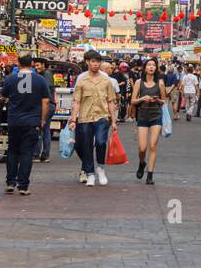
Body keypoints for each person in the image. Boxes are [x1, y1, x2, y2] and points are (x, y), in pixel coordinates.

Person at [1, 54, 52, 196]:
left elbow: (3, 97)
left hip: (14, 120)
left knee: (12, 151)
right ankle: (23, 185)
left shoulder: (10, 78)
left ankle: (10, 182)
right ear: (32, 63)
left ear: (18, 63)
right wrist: (42, 120)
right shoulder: (39, 80)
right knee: (27, 153)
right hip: (32, 121)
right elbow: (46, 101)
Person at [69, 50, 118, 188]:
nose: (95, 64)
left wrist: (113, 121)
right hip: (85, 117)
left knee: (102, 142)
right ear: (87, 62)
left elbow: (110, 101)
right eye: (93, 61)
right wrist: (73, 119)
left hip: (102, 116)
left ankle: (100, 168)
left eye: (98, 62)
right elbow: (77, 101)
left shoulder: (106, 79)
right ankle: (90, 173)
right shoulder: (81, 79)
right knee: (87, 145)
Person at [130, 56, 167, 184]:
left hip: (156, 116)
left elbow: (163, 101)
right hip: (142, 116)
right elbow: (133, 100)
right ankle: (142, 163)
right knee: (142, 148)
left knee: (152, 146)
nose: (151, 67)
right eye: (149, 65)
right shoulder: (138, 83)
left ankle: (150, 175)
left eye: (153, 65)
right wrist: (142, 99)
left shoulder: (160, 83)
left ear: (156, 68)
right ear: (145, 68)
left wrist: (157, 100)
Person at [34, 59, 56, 163]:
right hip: (48, 104)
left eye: (38, 65)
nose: (36, 67)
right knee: (45, 129)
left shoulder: (46, 74)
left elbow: (46, 92)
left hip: (46, 105)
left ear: (43, 65)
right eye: (34, 65)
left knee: (40, 128)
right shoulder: (45, 74)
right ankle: (44, 154)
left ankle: (37, 154)